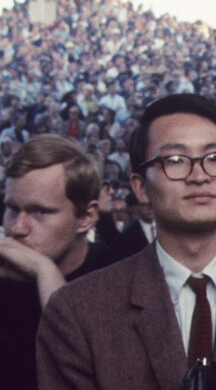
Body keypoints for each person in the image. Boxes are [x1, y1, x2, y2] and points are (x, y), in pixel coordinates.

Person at [37, 94, 216, 390]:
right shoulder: (79, 310)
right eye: (175, 160)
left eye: (215, 159)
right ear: (140, 187)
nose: (199, 176)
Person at [0, 134, 120, 390]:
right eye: (11, 208)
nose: (17, 228)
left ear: (86, 217)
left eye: (40, 212)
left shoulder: (119, 278)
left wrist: (45, 272)